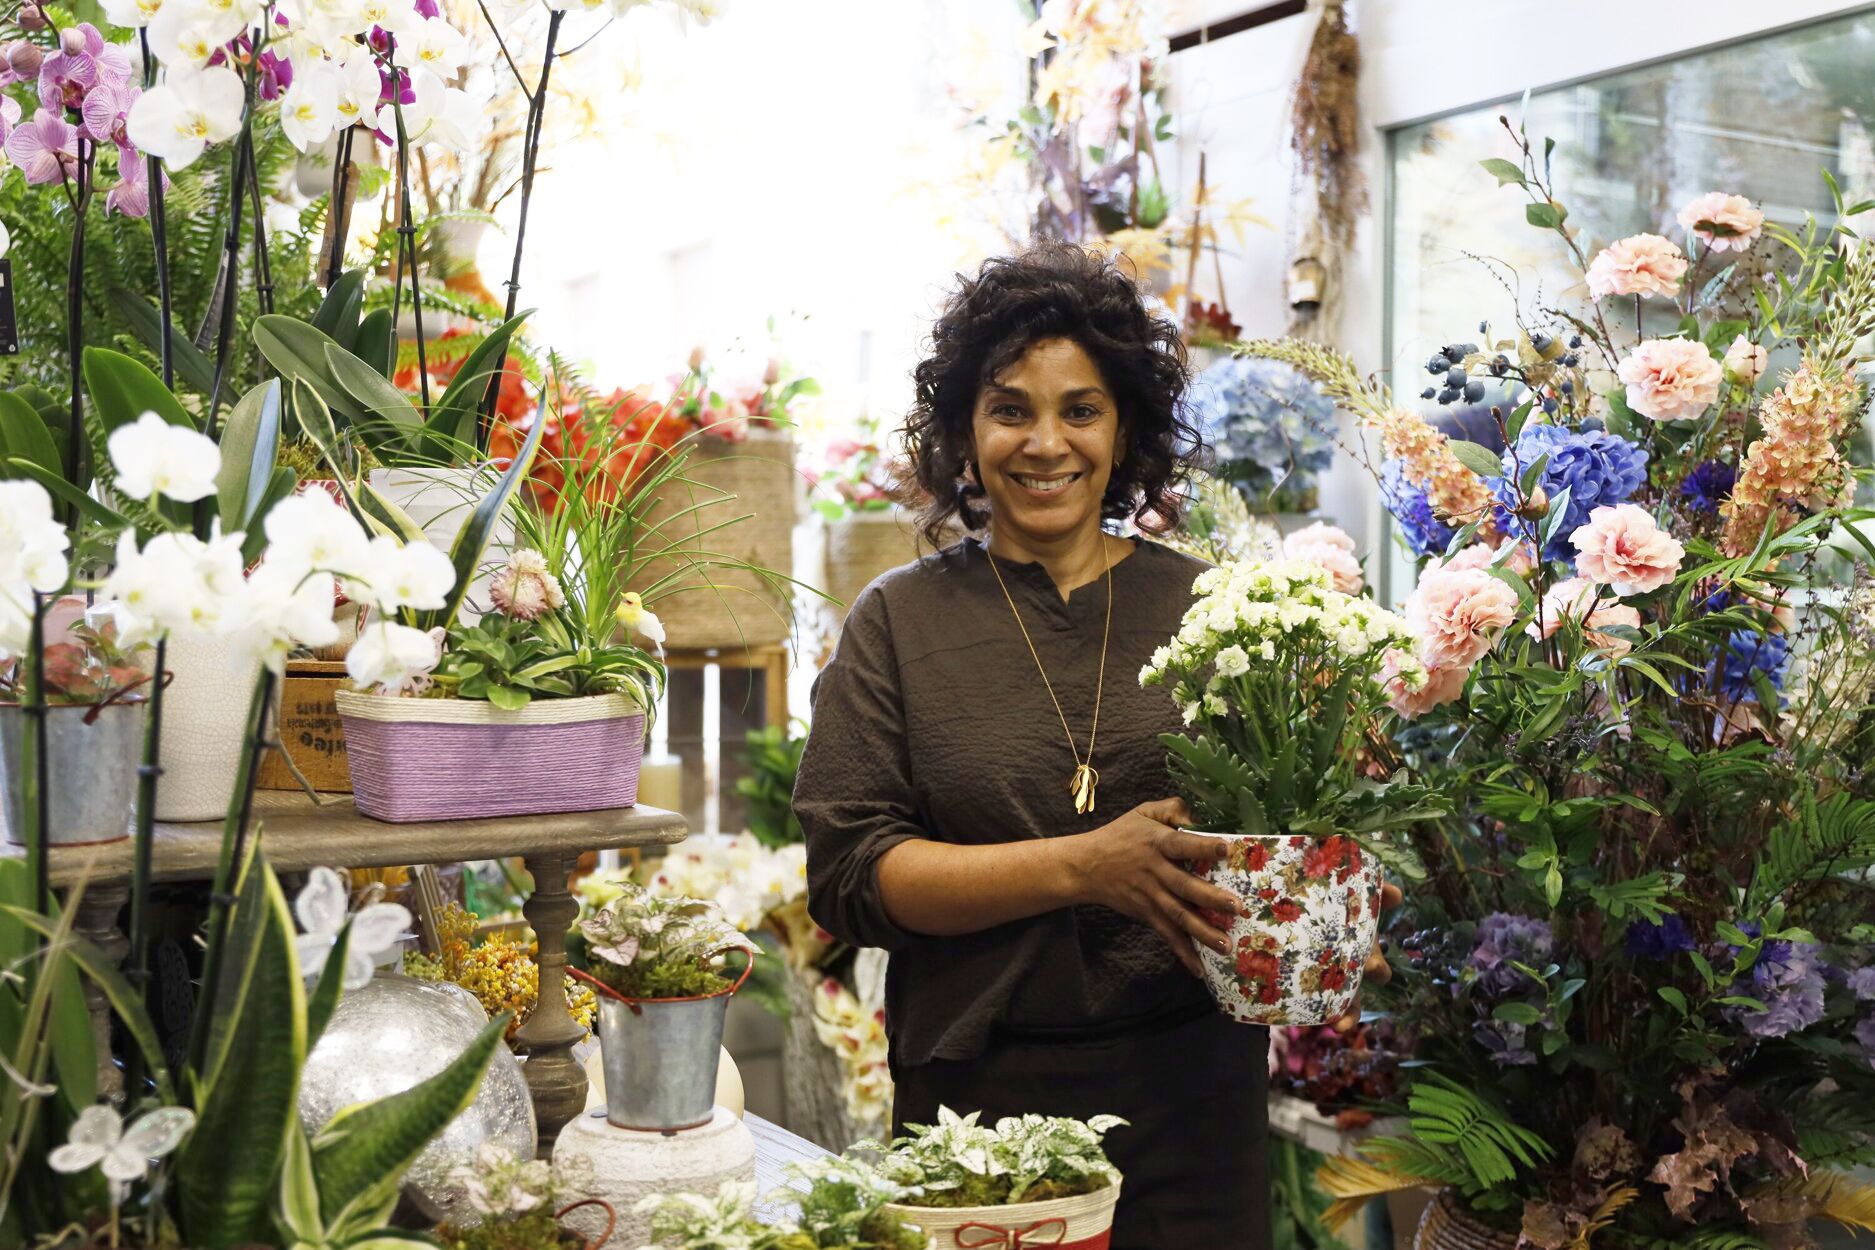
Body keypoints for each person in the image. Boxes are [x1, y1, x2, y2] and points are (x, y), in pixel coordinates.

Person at [795, 241, 1283, 1247]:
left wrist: (1330, 867)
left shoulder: (1213, 608)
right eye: (1010, 409)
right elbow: (850, 876)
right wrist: (1081, 867)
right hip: (980, 1111)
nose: (1046, 443)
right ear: (964, 434)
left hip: (1193, 1099)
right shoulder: (898, 622)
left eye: (1081, 409)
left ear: (1125, 428)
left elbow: (1271, 829)